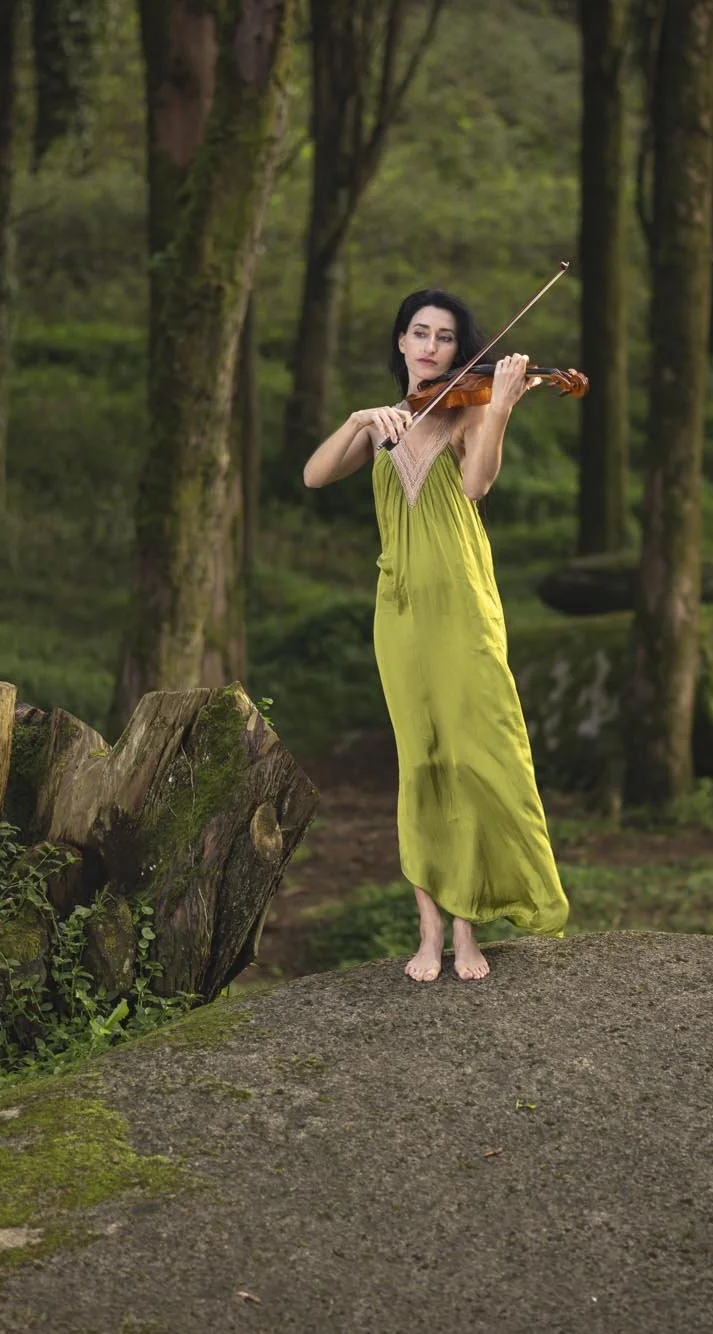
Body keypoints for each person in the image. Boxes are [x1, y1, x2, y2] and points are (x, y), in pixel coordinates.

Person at [300, 288, 570, 981]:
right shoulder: (384, 423)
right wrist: (360, 419)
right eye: (418, 333)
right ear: (400, 342)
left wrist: (502, 406)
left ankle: (467, 929)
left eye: (444, 338)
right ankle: (427, 933)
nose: (429, 346)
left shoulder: (468, 410)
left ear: (458, 350)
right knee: (418, 762)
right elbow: (313, 474)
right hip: (401, 610)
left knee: (476, 756)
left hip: (462, 604)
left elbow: (478, 486)